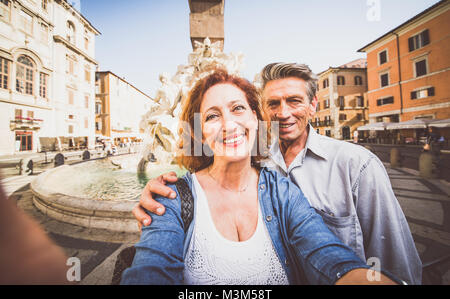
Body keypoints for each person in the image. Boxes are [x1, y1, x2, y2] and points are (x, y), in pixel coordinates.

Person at [133, 63, 421, 285]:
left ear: (313, 105)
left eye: (294, 101)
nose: (283, 113)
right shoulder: (180, 194)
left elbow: (345, 254)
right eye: (211, 116)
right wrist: (157, 193)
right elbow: (151, 268)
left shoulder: (352, 165)